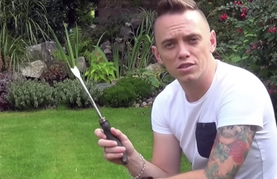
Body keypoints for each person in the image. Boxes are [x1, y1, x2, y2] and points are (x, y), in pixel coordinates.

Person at [94, 0, 277, 178]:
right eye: (170, 44)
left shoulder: (240, 88)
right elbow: (165, 174)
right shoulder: (166, 103)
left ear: (211, 41)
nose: (182, 52)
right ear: (157, 54)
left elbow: (218, 175)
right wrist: (132, 159)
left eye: (192, 40)